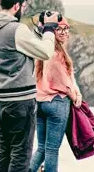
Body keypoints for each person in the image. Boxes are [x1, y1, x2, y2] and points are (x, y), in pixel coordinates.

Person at [0, 0, 61, 172]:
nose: (24, 10)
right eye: (24, 6)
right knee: (21, 154)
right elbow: (45, 52)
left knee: (4, 149)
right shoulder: (17, 29)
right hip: (20, 102)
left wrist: (37, 32)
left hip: (1, 100)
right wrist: (49, 30)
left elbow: (17, 47)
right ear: (17, 6)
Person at [29, 16, 82, 172]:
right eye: (59, 29)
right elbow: (64, 84)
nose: (64, 32)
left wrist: (76, 91)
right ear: (52, 31)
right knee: (52, 150)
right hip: (57, 104)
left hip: (41, 102)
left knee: (42, 148)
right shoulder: (57, 54)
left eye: (66, 28)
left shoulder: (44, 50)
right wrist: (75, 96)